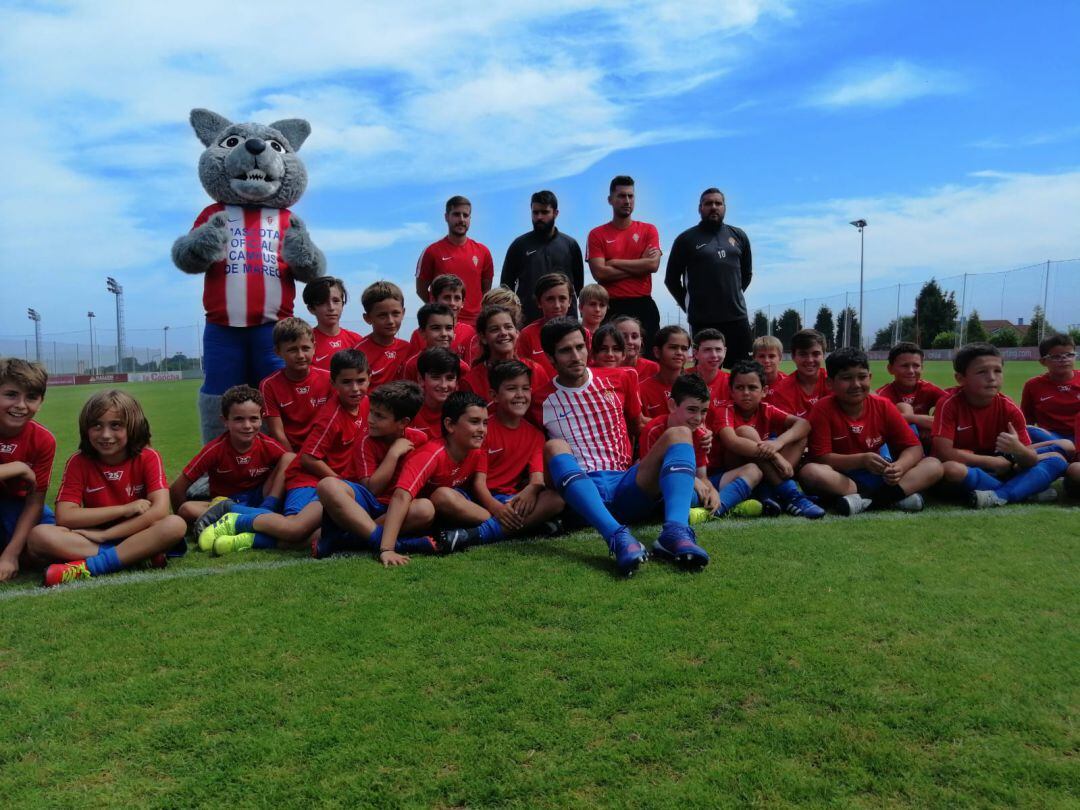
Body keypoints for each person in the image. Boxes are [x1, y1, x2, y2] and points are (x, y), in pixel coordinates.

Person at [532, 317, 708, 575]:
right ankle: (616, 536)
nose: (575, 355)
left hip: (625, 483)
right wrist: (533, 486)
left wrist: (694, 440)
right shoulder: (538, 399)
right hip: (581, 495)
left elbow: (640, 426)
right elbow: (534, 448)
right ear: (550, 357)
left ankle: (675, 532)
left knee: (680, 433)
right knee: (555, 446)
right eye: (565, 350)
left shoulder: (622, 377)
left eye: (579, 347)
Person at [199, 350, 371, 554]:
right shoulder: (331, 417)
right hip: (306, 480)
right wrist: (338, 483)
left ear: (370, 378)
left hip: (330, 482)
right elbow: (307, 458)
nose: (355, 388)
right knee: (293, 528)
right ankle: (233, 511)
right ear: (333, 384)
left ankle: (249, 539)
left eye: (361, 381)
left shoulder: (365, 404)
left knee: (325, 532)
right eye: (347, 382)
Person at [30, 390, 186, 586]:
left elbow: (160, 510)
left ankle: (89, 568)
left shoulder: (148, 456)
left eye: (116, 426)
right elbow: (65, 516)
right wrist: (124, 509)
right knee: (39, 536)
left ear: (132, 427)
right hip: (94, 540)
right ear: (86, 429)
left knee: (175, 524)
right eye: (97, 426)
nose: (105, 435)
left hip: (135, 533)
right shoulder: (78, 462)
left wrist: (107, 535)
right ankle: (136, 555)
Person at [799, 348, 943, 515]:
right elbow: (821, 456)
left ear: (870, 378)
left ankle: (867, 500)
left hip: (883, 476)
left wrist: (899, 467)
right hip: (845, 478)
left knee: (934, 465)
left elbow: (914, 447)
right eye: (846, 378)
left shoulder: (882, 405)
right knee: (810, 473)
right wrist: (861, 460)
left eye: (862, 377)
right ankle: (893, 499)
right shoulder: (822, 409)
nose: (856, 385)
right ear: (830, 383)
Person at [434, 374, 567, 552]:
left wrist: (532, 489)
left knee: (556, 499)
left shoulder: (536, 435)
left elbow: (537, 478)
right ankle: (528, 527)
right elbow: (478, 484)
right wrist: (496, 509)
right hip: (478, 501)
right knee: (442, 496)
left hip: (510, 499)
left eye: (525, 388)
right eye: (512, 388)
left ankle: (473, 535)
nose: (520, 394)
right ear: (494, 395)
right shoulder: (483, 428)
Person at [315, 380, 438, 559]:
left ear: (403, 422)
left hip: (397, 507)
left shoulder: (420, 439)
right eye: (371, 412)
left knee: (426, 509)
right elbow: (372, 489)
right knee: (326, 487)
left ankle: (346, 540)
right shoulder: (366, 442)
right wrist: (393, 454)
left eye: (379, 416)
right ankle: (390, 544)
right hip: (365, 505)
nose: (370, 419)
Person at [934, 343, 1068, 508]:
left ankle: (1000, 495)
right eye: (982, 372)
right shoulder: (949, 403)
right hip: (970, 468)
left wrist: (1018, 450)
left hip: (1004, 470)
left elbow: (1029, 460)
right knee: (952, 469)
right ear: (961, 379)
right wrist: (993, 462)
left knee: (1057, 459)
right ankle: (1025, 490)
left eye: (997, 371)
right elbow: (943, 452)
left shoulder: (1009, 408)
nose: (992, 377)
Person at [170, 385, 293, 536]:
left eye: (253, 418)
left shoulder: (268, 445)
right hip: (224, 504)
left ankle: (264, 512)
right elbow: (177, 488)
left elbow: (293, 468)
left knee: (289, 458)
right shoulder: (215, 449)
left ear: (262, 419)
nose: (247, 426)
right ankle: (260, 520)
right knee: (186, 509)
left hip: (261, 499)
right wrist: (186, 525)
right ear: (225, 421)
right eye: (239, 419)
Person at [712, 360, 823, 519]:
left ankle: (770, 492)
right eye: (740, 387)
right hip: (738, 469)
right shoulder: (725, 410)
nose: (746, 393)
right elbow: (732, 442)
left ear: (764, 391)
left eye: (752, 387)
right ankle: (791, 495)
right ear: (731, 391)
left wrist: (778, 443)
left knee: (799, 436)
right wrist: (775, 455)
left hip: (766, 469)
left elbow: (803, 424)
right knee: (746, 431)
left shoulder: (766, 409)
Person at [664, 188, 753, 367]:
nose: (714, 207)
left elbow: (746, 274)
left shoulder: (739, 236)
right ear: (700, 208)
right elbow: (671, 280)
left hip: (737, 317)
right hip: (703, 320)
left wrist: (731, 295)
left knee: (744, 372)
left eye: (718, 203)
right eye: (708, 203)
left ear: (724, 207)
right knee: (705, 374)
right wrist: (690, 306)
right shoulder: (685, 239)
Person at [586, 176, 662, 348]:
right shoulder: (597, 234)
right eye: (621, 196)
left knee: (648, 357)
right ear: (610, 200)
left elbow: (653, 265)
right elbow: (600, 273)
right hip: (612, 305)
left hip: (643, 303)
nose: (627, 201)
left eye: (630, 196)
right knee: (612, 357)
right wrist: (640, 264)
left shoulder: (648, 230)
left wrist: (614, 262)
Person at [0, 358, 56, 582]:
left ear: (40, 402)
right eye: (11, 394)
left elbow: (35, 502)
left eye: (31, 397)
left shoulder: (43, 440)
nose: (21, 405)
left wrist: (10, 555)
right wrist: (17, 468)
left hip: (20, 509)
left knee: (47, 542)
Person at [500, 190, 585, 324]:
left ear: (556, 213)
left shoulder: (570, 245)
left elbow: (579, 286)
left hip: (566, 321)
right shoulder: (519, 245)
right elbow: (506, 286)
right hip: (528, 320)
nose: (539, 217)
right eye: (535, 212)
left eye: (545, 212)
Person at [415, 195, 494, 327]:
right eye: (456, 214)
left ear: (470, 218)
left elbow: (486, 290)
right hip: (443, 325)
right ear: (446, 217)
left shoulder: (483, 251)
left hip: (474, 325)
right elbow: (421, 289)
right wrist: (439, 310)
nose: (461, 219)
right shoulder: (432, 251)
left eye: (465, 215)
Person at [259, 317, 332, 451]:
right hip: (288, 452)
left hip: (321, 450)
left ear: (314, 348)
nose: (300, 355)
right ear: (278, 352)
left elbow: (334, 424)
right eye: (292, 350)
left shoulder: (329, 379)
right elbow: (277, 433)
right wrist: (295, 462)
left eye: (305, 348)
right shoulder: (268, 385)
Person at [461, 305, 549, 398]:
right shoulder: (471, 381)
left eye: (508, 327)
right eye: (495, 329)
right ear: (483, 337)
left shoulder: (535, 371)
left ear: (517, 333)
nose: (503, 333)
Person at [875, 342, 947, 444]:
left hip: (927, 442)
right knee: (903, 407)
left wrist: (930, 424)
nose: (911, 371)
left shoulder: (928, 388)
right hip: (897, 444)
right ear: (890, 369)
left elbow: (951, 405)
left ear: (922, 367)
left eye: (916, 366)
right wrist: (923, 422)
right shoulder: (882, 394)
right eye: (905, 366)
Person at [516, 273, 582, 378]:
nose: (557, 305)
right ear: (539, 302)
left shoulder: (581, 333)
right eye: (550, 299)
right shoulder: (527, 335)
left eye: (562, 298)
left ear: (569, 301)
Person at [1020, 333, 1079, 444]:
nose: (1064, 359)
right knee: (1027, 430)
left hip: (1078, 434)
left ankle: (1063, 452)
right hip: (1050, 437)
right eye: (1056, 357)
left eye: (1069, 355)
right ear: (1043, 361)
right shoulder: (1033, 385)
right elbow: (1026, 420)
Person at [405, 274, 477, 363]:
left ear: (463, 302)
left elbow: (470, 368)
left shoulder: (469, 332)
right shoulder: (418, 334)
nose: (452, 303)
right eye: (447, 297)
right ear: (433, 299)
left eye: (457, 298)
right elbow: (413, 365)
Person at [356, 281, 411, 390]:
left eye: (395, 314)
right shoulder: (359, 353)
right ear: (367, 318)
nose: (390, 321)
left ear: (403, 313)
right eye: (382, 315)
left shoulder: (408, 349)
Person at [767, 329, 830, 418]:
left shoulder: (833, 383)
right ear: (793, 356)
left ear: (823, 355)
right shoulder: (782, 390)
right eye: (803, 354)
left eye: (816, 354)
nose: (810, 360)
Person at [303, 276, 362, 370]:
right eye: (323, 302)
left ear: (342, 304)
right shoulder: (304, 343)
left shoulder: (357, 341)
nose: (331, 307)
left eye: (336, 301)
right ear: (311, 308)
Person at [401, 303, 470, 383]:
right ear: (422, 332)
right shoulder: (412, 365)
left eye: (449, 328)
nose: (444, 334)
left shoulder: (462, 367)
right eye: (436, 328)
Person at [639, 325, 692, 419]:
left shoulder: (694, 386)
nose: (679, 352)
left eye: (684, 348)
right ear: (657, 352)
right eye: (673, 347)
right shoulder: (642, 390)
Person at [411, 347, 463, 442]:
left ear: (457, 382)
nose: (443, 385)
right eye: (435, 377)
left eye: (450, 378)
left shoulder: (463, 415)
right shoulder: (407, 412)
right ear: (420, 379)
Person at [691, 328, 731, 404]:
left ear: (725, 352)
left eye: (718, 349)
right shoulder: (681, 378)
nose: (714, 355)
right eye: (707, 350)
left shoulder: (732, 382)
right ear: (695, 353)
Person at [613, 315, 659, 379]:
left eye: (634, 337)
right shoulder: (607, 368)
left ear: (641, 340)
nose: (630, 341)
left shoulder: (653, 368)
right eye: (623, 337)